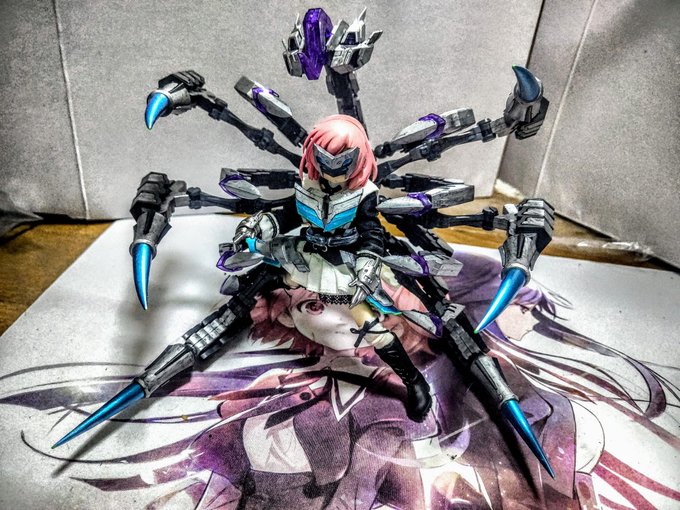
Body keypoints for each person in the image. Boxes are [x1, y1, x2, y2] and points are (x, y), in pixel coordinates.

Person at [231, 114, 431, 422]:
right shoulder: (308, 185)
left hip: (344, 264)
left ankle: (414, 381)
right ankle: (237, 303)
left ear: (357, 160)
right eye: (325, 161)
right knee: (272, 272)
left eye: (342, 163)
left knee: (371, 327)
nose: (332, 170)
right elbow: (287, 214)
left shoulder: (363, 194)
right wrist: (257, 226)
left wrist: (367, 265)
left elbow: (372, 232)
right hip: (309, 255)